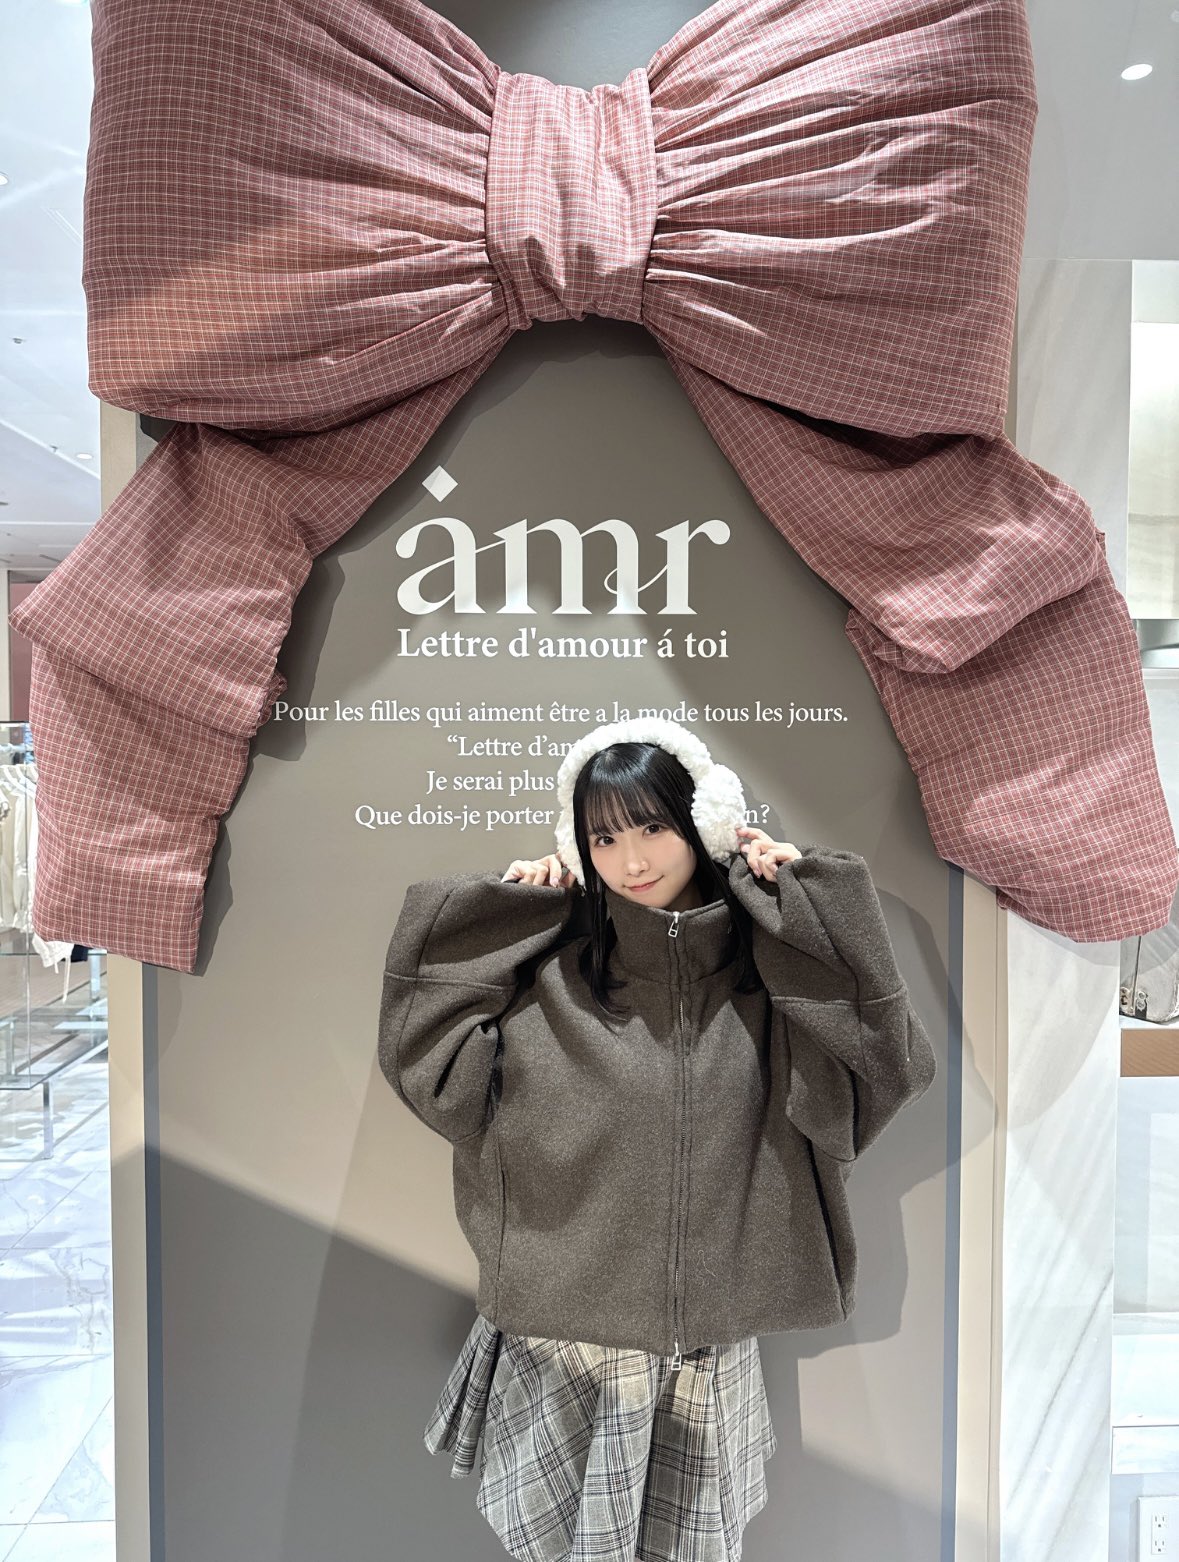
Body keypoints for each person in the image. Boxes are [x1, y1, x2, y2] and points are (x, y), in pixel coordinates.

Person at [378, 718, 936, 1562]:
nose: (630, 861)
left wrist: (811, 910)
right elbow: (429, 1068)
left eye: (651, 827)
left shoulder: (766, 987)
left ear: (703, 823)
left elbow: (886, 1067)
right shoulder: (547, 979)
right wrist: (501, 917)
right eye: (602, 838)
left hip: (708, 1345)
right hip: (567, 1339)